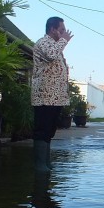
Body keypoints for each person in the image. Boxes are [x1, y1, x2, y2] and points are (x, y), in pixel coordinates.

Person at [31, 16, 73, 172]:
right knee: (42, 129)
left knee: (49, 130)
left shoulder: (56, 45)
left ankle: (46, 162)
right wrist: (64, 41)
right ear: (52, 29)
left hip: (55, 98)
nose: (63, 33)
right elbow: (51, 55)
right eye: (61, 30)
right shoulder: (44, 43)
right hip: (45, 96)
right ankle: (39, 164)